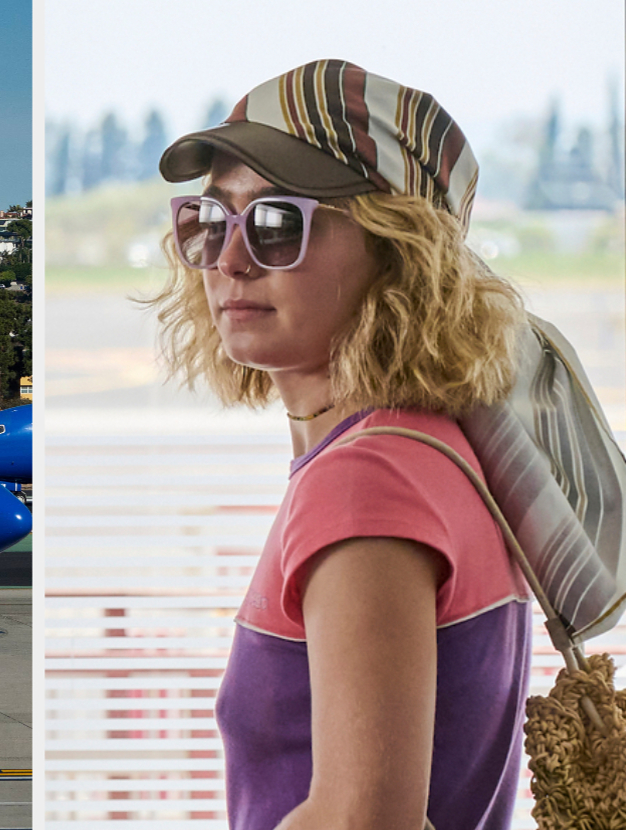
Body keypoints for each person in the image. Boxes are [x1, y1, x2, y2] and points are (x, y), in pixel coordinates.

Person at [149, 60, 534, 830]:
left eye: (276, 223)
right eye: (210, 219)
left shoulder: (367, 482)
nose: (228, 260)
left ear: (399, 253)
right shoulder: (430, 451)